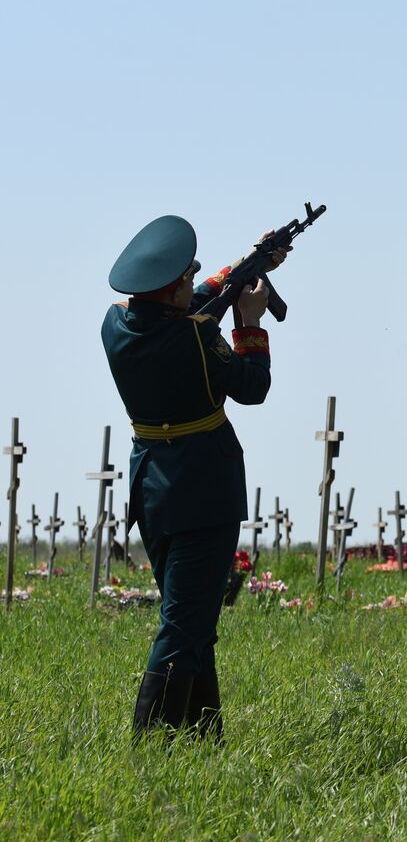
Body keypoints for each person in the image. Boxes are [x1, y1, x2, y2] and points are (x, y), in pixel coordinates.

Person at [102, 214, 287, 740]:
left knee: (194, 618)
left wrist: (242, 267)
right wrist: (249, 321)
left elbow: (183, 304)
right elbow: (252, 387)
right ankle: (151, 741)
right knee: (184, 625)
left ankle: (203, 737)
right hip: (203, 488)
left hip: (154, 488)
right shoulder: (199, 337)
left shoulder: (115, 324)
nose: (193, 283)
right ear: (173, 290)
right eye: (187, 278)